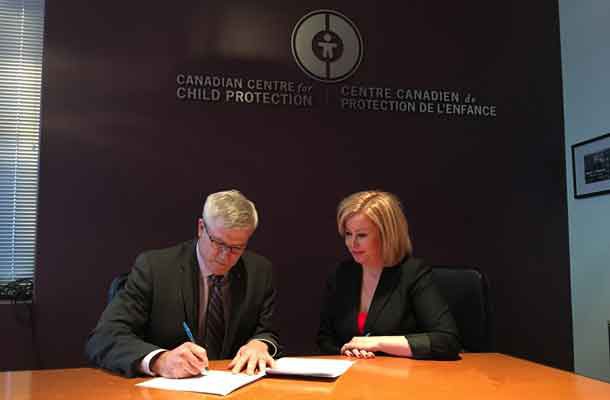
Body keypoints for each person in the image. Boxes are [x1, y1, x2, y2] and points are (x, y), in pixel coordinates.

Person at [85, 190, 280, 377]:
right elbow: (104, 338)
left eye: (236, 248)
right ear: (201, 228)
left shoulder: (259, 272)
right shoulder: (155, 269)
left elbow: (267, 330)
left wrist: (260, 344)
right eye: (218, 243)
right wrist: (160, 360)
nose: (225, 256)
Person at [317, 190, 460, 359]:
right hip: (353, 376)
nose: (351, 243)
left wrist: (378, 343)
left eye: (361, 235)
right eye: (348, 234)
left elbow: (446, 341)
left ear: (387, 235)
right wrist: (346, 350)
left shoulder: (412, 273)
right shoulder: (341, 274)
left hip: (403, 378)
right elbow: (325, 338)